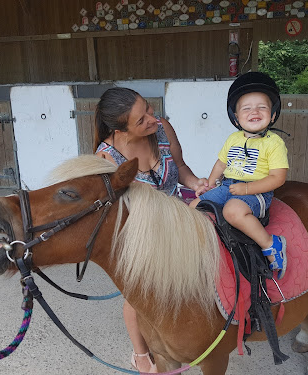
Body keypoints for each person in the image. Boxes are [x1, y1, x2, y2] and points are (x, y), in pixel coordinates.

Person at [93, 87, 208, 373]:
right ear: (120, 128)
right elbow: (119, 209)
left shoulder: (162, 129)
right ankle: (141, 354)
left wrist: (194, 183)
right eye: (141, 119)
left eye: (149, 109)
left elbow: (179, 166)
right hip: (140, 231)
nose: (151, 119)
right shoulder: (107, 157)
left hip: (180, 216)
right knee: (139, 295)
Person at [189, 72, 289, 279]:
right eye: (247, 108)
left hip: (256, 190)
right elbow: (221, 163)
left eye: (262, 107)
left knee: (232, 211)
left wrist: (246, 189)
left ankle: (271, 244)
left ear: (272, 115)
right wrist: (210, 182)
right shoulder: (233, 138)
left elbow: (278, 178)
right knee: (193, 207)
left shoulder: (274, 143)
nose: (254, 111)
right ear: (236, 116)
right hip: (228, 186)